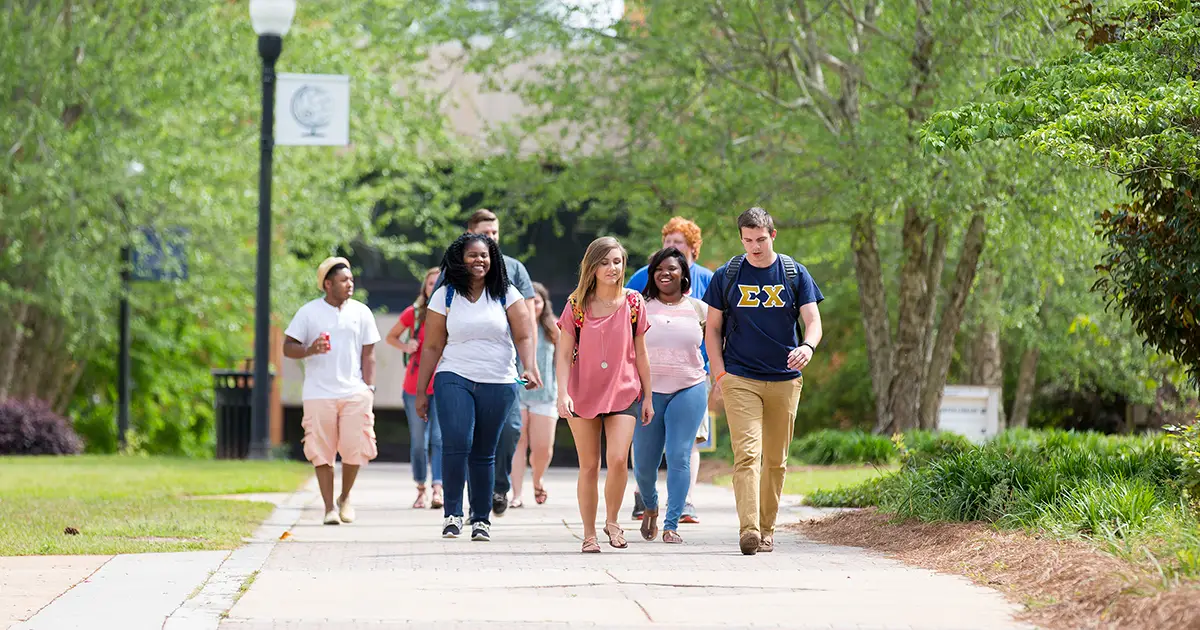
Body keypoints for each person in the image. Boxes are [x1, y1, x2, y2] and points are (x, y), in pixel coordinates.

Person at [704, 207, 824, 555]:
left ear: (772, 235)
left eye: (759, 239)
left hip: (785, 379)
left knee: (775, 459)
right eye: (747, 240)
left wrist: (808, 346)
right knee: (747, 454)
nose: (754, 247)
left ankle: (768, 529)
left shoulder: (793, 273)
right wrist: (719, 372)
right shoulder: (728, 275)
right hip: (740, 376)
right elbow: (712, 329)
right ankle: (749, 530)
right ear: (740, 238)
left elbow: (813, 321)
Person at [415, 233, 541, 542]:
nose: (479, 260)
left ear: (493, 258)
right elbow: (431, 346)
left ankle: (481, 518)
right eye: (472, 255)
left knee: (485, 452)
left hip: (498, 380)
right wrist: (421, 391)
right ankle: (453, 515)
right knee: (457, 442)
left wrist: (530, 367)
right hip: (453, 375)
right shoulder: (444, 295)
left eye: (484, 255)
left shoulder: (506, 293)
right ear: (459, 259)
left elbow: (524, 335)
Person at [435, 208, 537, 517]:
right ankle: (469, 506)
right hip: (459, 370)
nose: (490, 239)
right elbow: (437, 321)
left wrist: (528, 364)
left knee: (509, 431)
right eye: (484, 233)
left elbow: (526, 321)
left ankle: (498, 487)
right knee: (462, 437)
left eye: (494, 234)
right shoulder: (451, 278)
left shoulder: (513, 270)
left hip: (503, 370)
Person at [556, 236, 653, 553]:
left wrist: (648, 396)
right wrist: (562, 394)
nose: (612, 268)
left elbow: (641, 353)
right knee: (588, 465)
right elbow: (563, 354)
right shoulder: (576, 306)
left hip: (624, 391)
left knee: (617, 460)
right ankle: (589, 533)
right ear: (592, 267)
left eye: (617, 261)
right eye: (604, 262)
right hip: (583, 392)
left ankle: (612, 521)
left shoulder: (634, 303)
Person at [625, 217, 713, 524]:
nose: (671, 250)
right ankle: (646, 498)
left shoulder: (708, 283)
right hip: (648, 384)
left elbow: (720, 332)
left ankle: (679, 510)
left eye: (678, 244)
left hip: (693, 378)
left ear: (692, 249)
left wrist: (720, 372)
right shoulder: (640, 283)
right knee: (646, 460)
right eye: (667, 243)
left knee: (684, 448)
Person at [282, 257, 381, 525]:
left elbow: (369, 353)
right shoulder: (308, 312)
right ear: (328, 284)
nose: (350, 284)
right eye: (343, 280)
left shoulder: (361, 312)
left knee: (354, 448)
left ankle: (345, 497)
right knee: (321, 450)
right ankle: (328, 508)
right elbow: (287, 346)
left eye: (350, 279)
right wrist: (309, 349)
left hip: (355, 392)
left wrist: (369, 389)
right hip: (318, 392)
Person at [385, 267, 443, 510]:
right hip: (414, 386)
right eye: (430, 283)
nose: (434, 287)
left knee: (440, 439)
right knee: (419, 441)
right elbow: (391, 337)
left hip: (442, 384)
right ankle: (420, 488)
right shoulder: (415, 313)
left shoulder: (451, 312)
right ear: (425, 287)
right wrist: (406, 346)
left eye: (438, 283)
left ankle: (438, 488)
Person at [509, 282, 560, 509]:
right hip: (518, 393)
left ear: (543, 303)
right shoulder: (514, 327)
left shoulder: (553, 329)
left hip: (546, 394)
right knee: (518, 443)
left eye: (537, 301)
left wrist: (564, 392)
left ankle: (538, 479)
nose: (534, 306)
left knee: (543, 448)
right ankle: (516, 494)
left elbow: (563, 362)